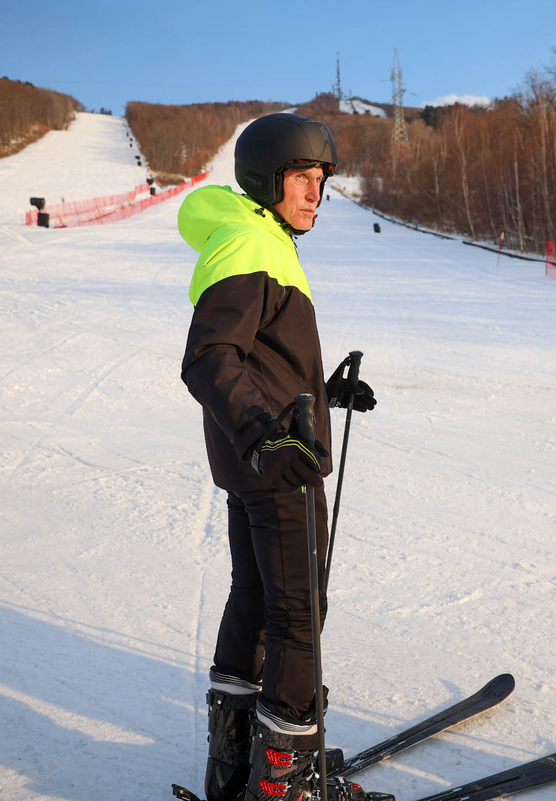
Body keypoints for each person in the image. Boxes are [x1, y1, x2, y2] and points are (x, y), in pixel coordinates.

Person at [178, 112, 376, 801]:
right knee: (298, 611)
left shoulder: (253, 238)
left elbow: (258, 359)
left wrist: (319, 393)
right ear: (266, 180)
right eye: (301, 177)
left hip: (261, 459)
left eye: (320, 179)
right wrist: (267, 433)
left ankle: (234, 764)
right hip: (278, 464)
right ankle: (286, 780)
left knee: (258, 598)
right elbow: (208, 357)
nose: (314, 191)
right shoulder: (250, 246)